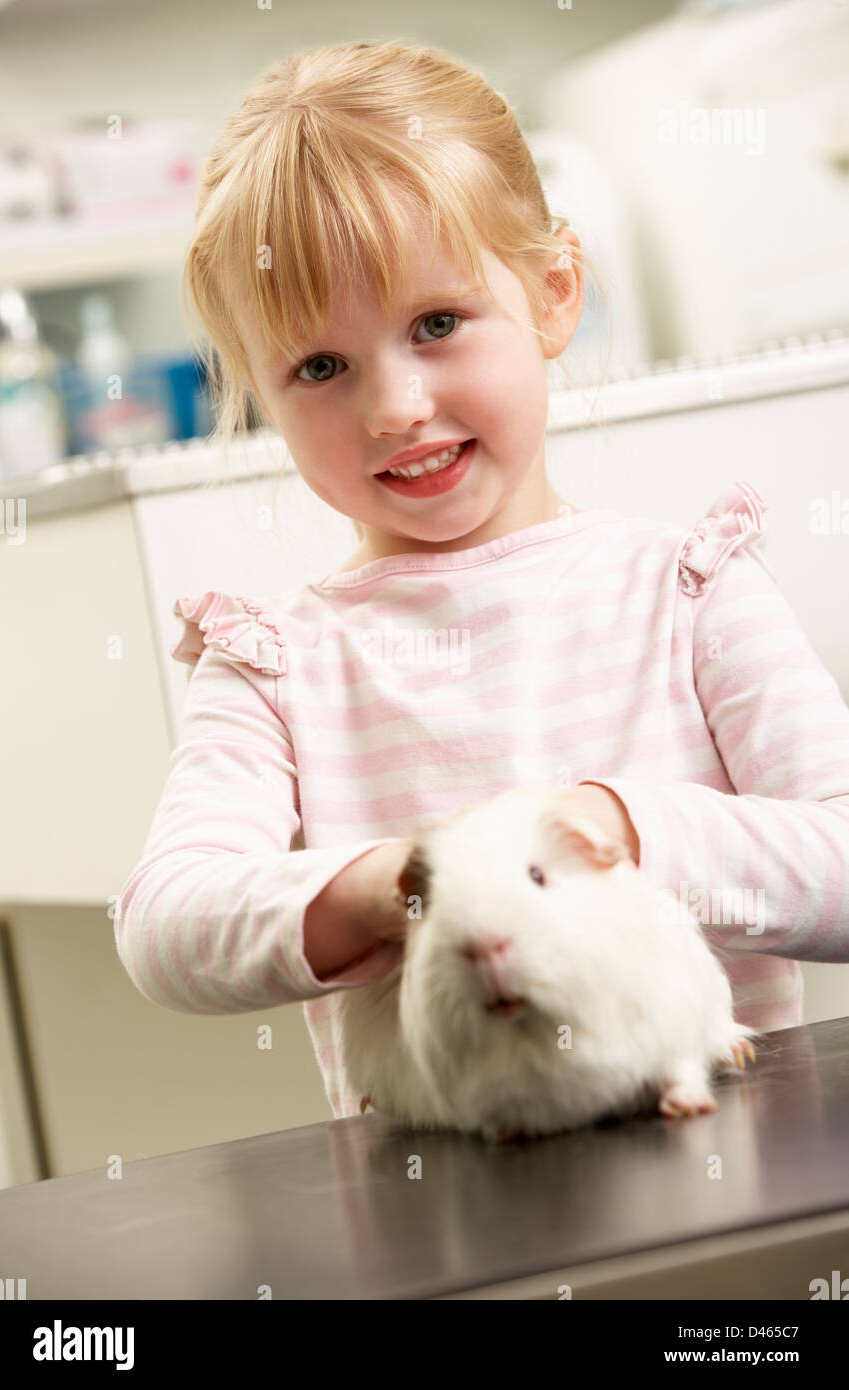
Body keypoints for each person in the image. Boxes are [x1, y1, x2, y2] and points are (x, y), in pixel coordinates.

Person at [114, 40, 849, 1121]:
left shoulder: (689, 594)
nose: (394, 407)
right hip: (440, 1203)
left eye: (436, 324)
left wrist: (629, 830)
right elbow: (165, 927)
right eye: (320, 366)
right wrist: (389, 886)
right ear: (262, 394)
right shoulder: (272, 671)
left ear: (554, 294)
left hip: (734, 1155)